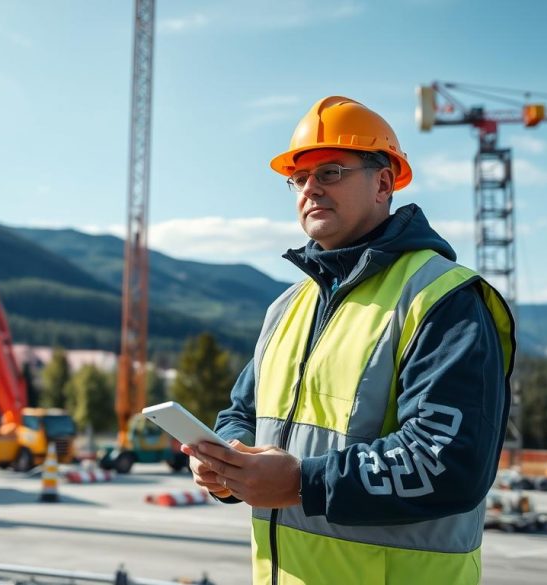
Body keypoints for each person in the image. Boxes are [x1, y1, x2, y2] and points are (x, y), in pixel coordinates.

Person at [181, 96, 515, 585]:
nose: (310, 188)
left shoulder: (443, 298)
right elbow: (243, 411)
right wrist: (230, 460)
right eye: (298, 179)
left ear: (384, 182)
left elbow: (448, 462)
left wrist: (300, 481)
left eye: (331, 172)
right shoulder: (287, 307)